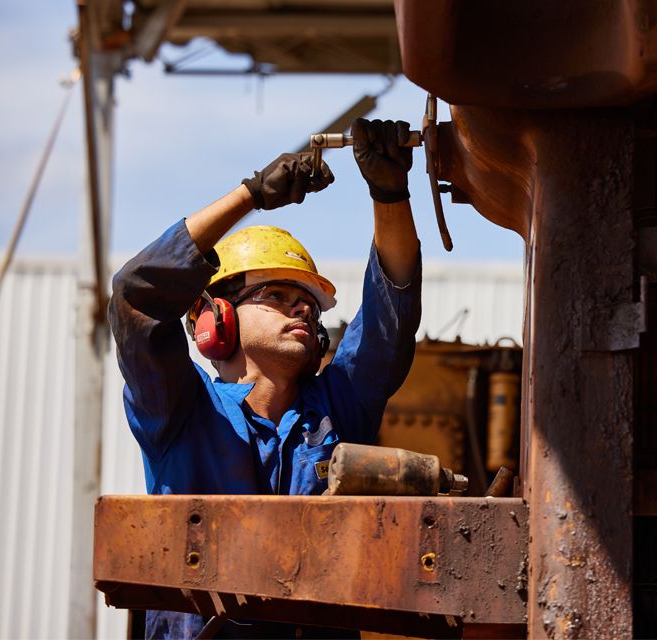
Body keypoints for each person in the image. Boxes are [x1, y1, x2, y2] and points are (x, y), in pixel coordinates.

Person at [108, 118, 422, 638]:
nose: (300, 311)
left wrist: (389, 193)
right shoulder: (181, 410)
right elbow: (134, 298)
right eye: (276, 296)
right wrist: (250, 194)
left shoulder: (337, 409)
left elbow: (391, 316)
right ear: (215, 318)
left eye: (309, 306)